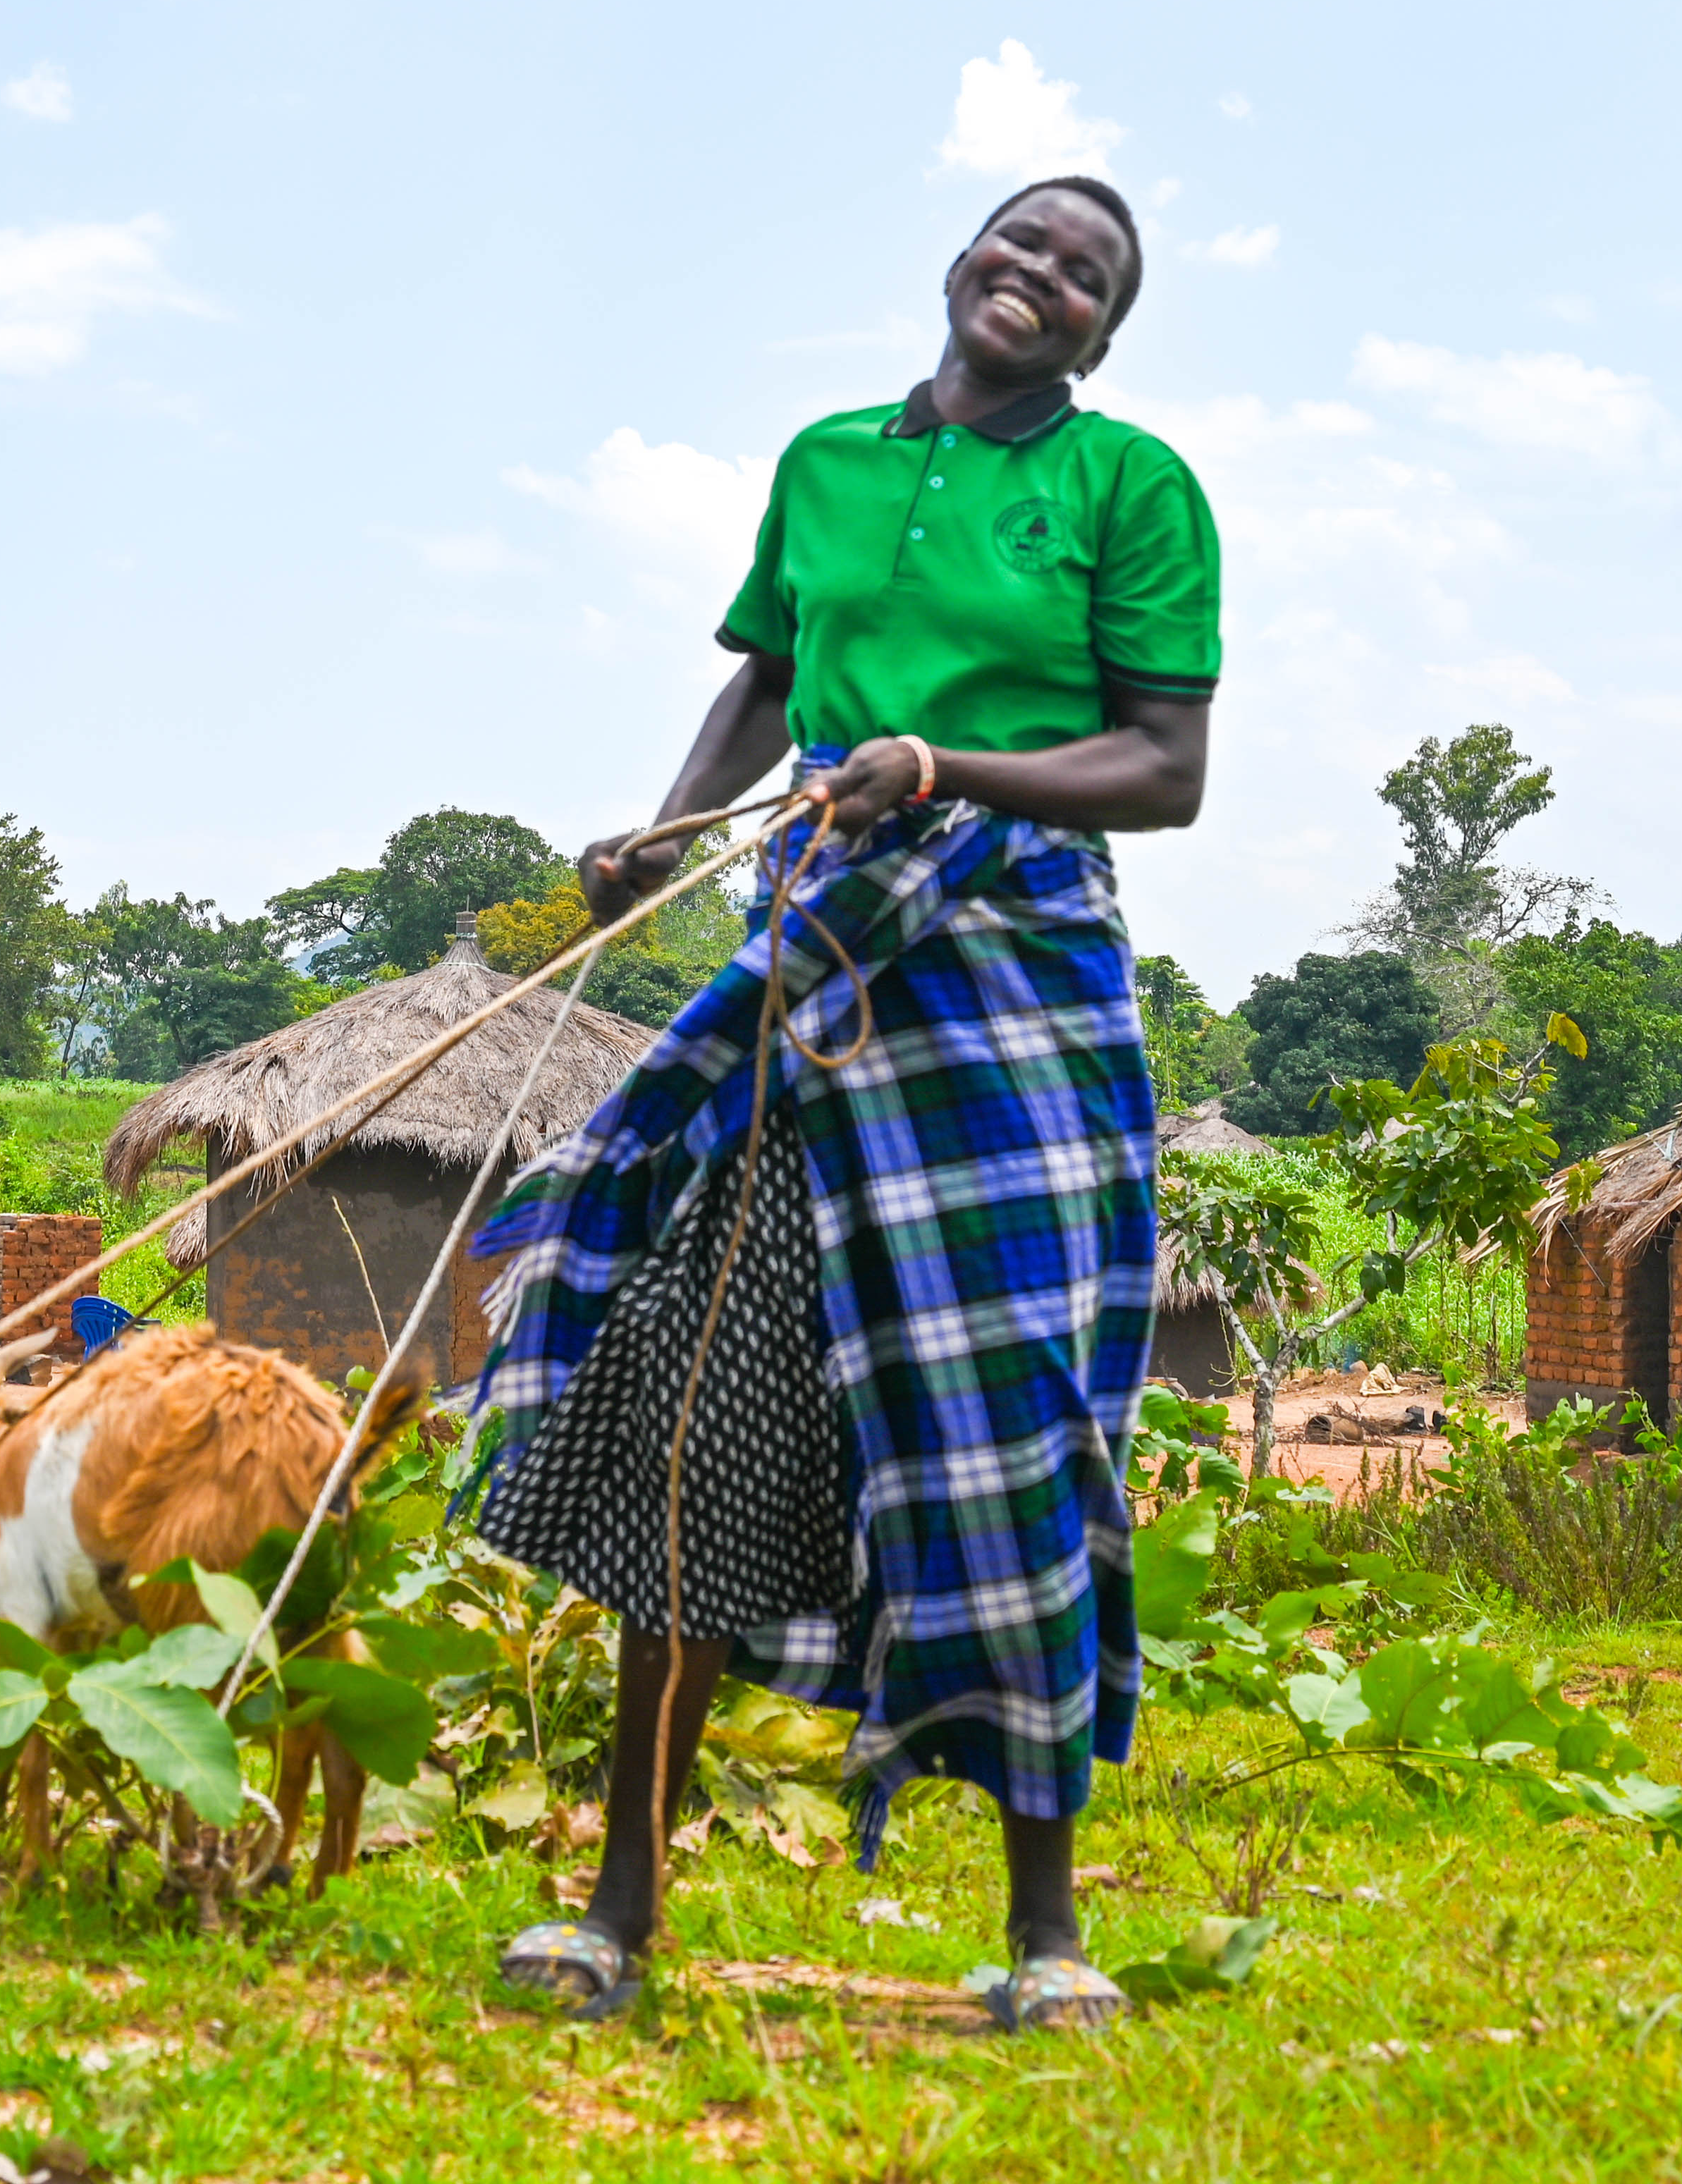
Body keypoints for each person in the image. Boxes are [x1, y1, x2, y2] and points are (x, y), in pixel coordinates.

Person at [464, 175, 1217, 2035]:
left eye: (1085, 274)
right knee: (702, 1402)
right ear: (963, 260)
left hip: (1010, 973)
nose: (1038, 278)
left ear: (1104, 334)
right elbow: (767, 682)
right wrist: (659, 827)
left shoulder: (1134, 488)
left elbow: (1167, 766)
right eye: (1021, 242)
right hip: (817, 956)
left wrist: (943, 762)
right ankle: (618, 1914)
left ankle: (1046, 1938)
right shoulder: (826, 461)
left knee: (1013, 1431)